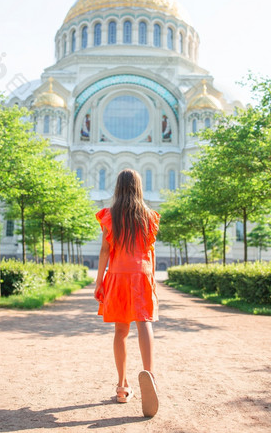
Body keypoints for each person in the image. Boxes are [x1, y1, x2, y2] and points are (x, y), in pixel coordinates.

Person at [94, 169, 160, 417]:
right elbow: (151, 252)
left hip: (118, 275)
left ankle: (122, 387)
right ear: (139, 188)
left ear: (118, 188)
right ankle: (149, 377)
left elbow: (104, 252)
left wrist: (99, 281)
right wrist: (151, 280)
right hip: (141, 274)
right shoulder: (149, 216)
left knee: (121, 332)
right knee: (145, 322)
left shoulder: (110, 216)